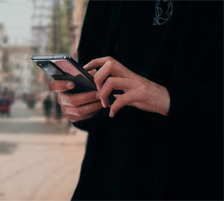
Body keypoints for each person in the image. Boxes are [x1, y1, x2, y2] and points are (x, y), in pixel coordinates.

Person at [49, 1, 223, 200]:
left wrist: (166, 99)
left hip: (190, 178)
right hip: (105, 179)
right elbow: (95, 90)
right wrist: (78, 105)